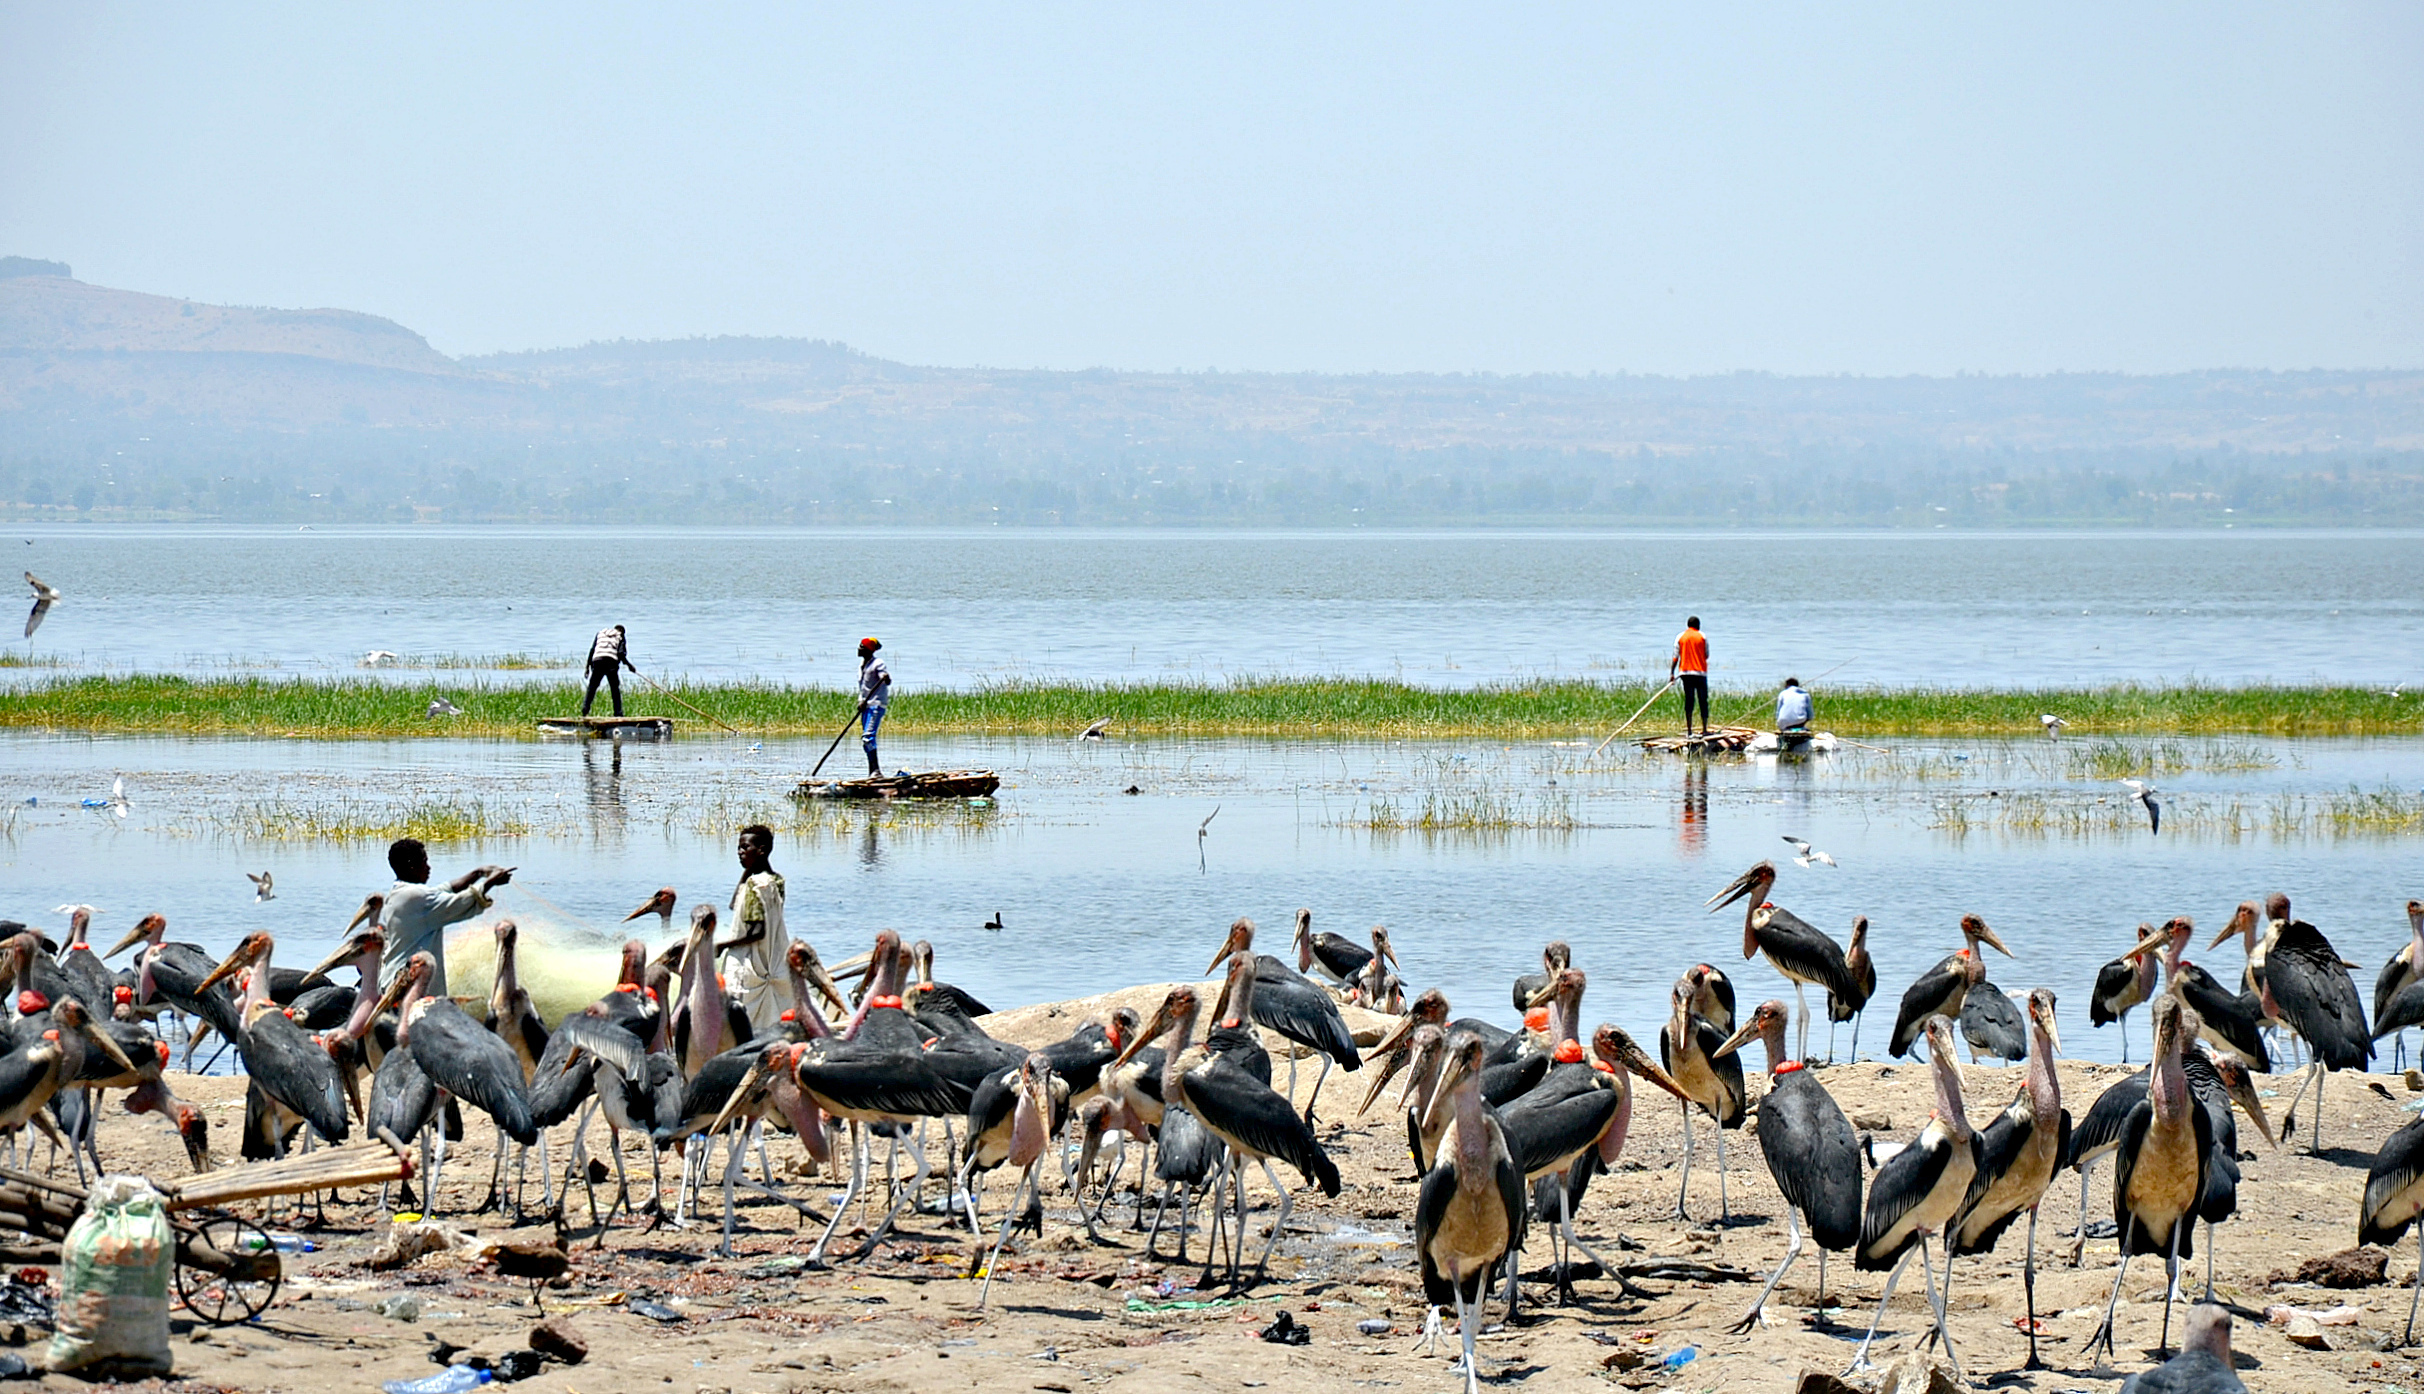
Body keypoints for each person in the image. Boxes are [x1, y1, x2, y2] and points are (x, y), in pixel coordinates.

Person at [380, 838, 512, 995]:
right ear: (411, 865)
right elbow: (459, 903)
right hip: (408, 987)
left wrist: (480, 872)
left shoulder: (399, 893)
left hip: (392, 982)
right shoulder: (416, 897)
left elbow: (447, 889)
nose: (429, 868)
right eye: (424, 862)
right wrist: (490, 883)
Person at [723, 824, 790, 1033]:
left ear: (761, 850)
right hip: (773, 959)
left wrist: (722, 946)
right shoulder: (776, 880)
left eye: (745, 848)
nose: (740, 853)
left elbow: (757, 932)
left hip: (750, 962)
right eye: (739, 848)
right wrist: (748, 871)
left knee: (741, 1025)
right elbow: (735, 904)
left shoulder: (755, 885)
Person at [581, 624, 638, 718]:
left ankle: (585, 709)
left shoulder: (600, 634)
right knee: (615, 688)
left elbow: (592, 650)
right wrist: (629, 665)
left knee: (592, 687)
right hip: (611, 661)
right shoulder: (620, 636)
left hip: (597, 660)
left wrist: (587, 667)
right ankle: (618, 713)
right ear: (622, 632)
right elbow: (620, 654)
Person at [1669, 616, 1710, 736]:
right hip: (1700, 673)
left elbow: (1675, 657)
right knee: (1703, 701)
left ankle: (1689, 731)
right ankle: (1704, 729)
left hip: (1685, 673)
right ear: (1698, 625)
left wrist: (1672, 673)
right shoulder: (1702, 636)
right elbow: (1706, 654)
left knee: (1689, 701)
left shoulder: (1680, 637)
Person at [856, 636, 891, 776]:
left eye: (862, 647)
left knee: (868, 737)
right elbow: (863, 688)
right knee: (866, 740)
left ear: (869, 650)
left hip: (876, 704)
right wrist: (861, 702)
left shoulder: (878, 663)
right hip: (866, 706)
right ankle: (872, 771)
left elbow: (886, 679)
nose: (859, 649)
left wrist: (885, 677)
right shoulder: (862, 665)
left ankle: (876, 770)